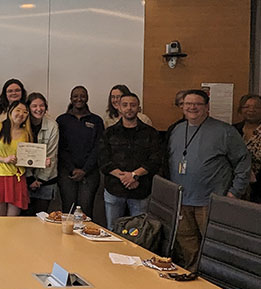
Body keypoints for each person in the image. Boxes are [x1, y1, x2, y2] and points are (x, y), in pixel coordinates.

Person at [168, 89, 250, 271]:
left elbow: (243, 162)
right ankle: (193, 276)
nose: (192, 107)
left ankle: (216, 283)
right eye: (188, 104)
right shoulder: (177, 130)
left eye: (197, 104)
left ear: (207, 107)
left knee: (215, 246)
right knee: (187, 244)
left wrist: (234, 192)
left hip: (211, 201)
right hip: (183, 199)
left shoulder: (225, 131)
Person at [98, 93, 162, 230]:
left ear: (138, 108)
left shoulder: (151, 133)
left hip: (140, 190)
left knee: (138, 233)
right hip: (114, 189)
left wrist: (134, 175)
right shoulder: (109, 132)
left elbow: (155, 160)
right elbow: (103, 160)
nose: (129, 108)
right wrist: (125, 177)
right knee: (112, 230)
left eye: (133, 105)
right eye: (125, 105)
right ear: (119, 108)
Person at [56, 86, 104, 217]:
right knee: (68, 210)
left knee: (85, 212)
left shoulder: (96, 121)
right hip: (66, 172)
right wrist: (72, 169)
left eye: (82, 96)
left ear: (87, 98)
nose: (79, 99)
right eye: (75, 96)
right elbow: (60, 148)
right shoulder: (62, 120)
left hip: (89, 173)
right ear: (71, 99)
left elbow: (98, 147)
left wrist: (85, 170)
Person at [25, 93, 59, 215]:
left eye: (42, 105)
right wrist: (29, 179)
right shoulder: (22, 124)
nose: (38, 109)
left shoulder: (52, 125)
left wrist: (40, 180)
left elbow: (51, 155)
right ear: (28, 107)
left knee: (41, 217)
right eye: (34, 106)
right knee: (24, 218)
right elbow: (22, 154)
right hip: (25, 178)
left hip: (46, 179)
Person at [234, 94, 261, 202]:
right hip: (236, 187)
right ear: (240, 110)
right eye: (246, 106)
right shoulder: (233, 130)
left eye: (256, 107)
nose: (251, 110)